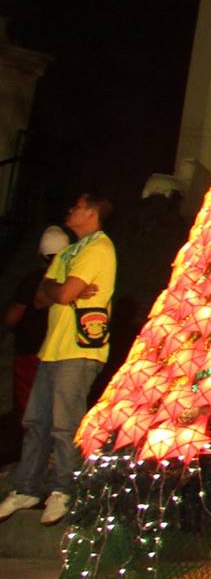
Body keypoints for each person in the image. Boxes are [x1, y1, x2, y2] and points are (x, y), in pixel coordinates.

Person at [0, 195, 117, 527]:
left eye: (77, 207)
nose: (70, 210)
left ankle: (64, 489)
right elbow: (41, 298)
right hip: (52, 348)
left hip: (79, 349)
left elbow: (60, 295)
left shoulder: (100, 249)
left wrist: (58, 288)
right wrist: (59, 287)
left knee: (65, 425)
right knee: (35, 422)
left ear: (92, 213)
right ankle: (26, 488)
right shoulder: (68, 251)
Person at [2, 227, 66, 464]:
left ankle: (31, 457)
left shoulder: (34, 280)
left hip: (30, 350)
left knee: (28, 405)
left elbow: (13, 316)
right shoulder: (72, 280)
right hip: (59, 350)